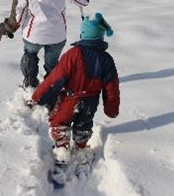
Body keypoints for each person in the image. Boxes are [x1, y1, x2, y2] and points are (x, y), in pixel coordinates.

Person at [29, 12, 120, 176]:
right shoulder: (107, 59)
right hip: (91, 102)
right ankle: (81, 150)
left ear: (83, 34)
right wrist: (111, 109)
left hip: (70, 100)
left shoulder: (74, 54)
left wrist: (38, 97)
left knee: (59, 122)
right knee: (83, 125)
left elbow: (55, 78)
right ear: (100, 37)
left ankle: (62, 150)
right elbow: (111, 87)